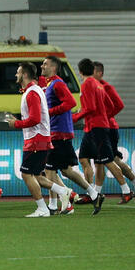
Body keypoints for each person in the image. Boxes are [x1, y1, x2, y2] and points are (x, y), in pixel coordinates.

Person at [40, 56, 103, 215]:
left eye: (45, 64)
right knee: (64, 170)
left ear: (54, 68)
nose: (42, 66)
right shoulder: (51, 84)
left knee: (49, 170)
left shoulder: (58, 84)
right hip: (58, 132)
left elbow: (70, 103)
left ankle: (54, 206)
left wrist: (50, 112)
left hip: (59, 132)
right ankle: (93, 194)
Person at [12, 62, 72, 217]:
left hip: (36, 140)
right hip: (39, 139)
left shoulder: (32, 92)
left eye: (18, 72)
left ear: (25, 75)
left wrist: (16, 124)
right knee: (37, 175)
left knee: (26, 174)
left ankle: (43, 208)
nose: (16, 75)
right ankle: (63, 192)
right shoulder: (34, 90)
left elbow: (35, 118)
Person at [73, 58, 130, 204]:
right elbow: (110, 106)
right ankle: (92, 193)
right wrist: (104, 116)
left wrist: (75, 117)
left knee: (107, 161)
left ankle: (127, 191)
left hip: (96, 127)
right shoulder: (98, 85)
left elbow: (90, 108)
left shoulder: (86, 84)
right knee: (83, 158)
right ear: (92, 70)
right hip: (95, 126)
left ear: (79, 71)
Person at [93, 61, 135, 202]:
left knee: (105, 160)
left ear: (100, 73)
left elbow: (119, 105)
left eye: (92, 72)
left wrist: (106, 117)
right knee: (104, 160)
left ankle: (100, 194)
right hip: (102, 128)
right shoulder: (93, 87)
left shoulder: (106, 87)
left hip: (109, 129)